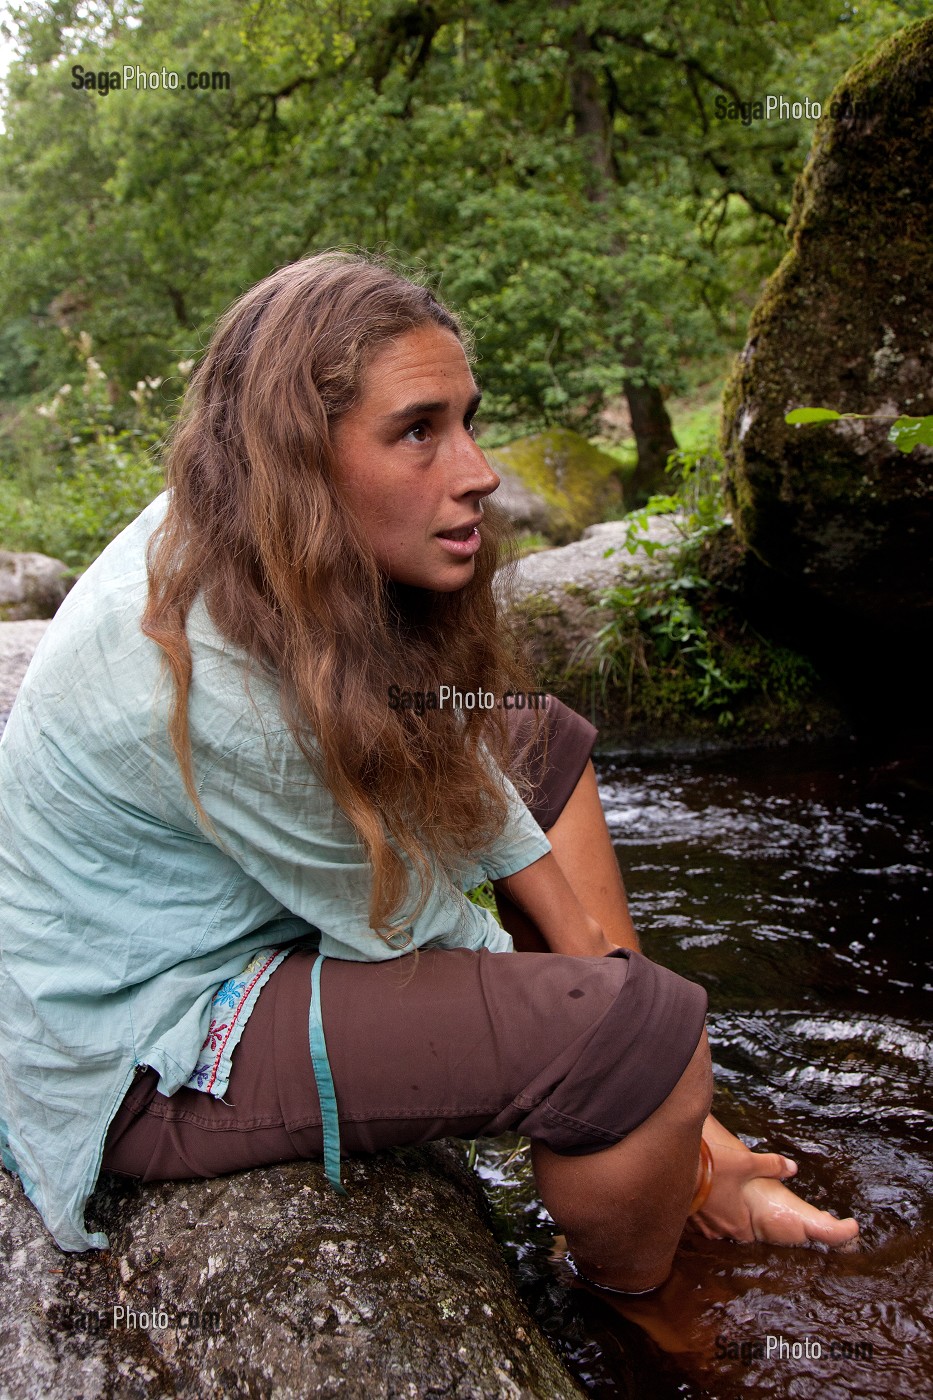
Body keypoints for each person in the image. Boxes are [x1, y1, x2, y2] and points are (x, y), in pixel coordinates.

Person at [0, 253, 857, 1295]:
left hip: (197, 911)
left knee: (533, 741)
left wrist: (616, 1006)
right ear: (298, 456)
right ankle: (653, 1304)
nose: (479, 470)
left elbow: (459, 743)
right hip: (146, 1039)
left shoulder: (250, 529)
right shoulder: (208, 675)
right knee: (643, 1037)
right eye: (418, 431)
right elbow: (430, 924)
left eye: (467, 418)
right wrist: (631, 1050)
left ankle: (669, 1135)